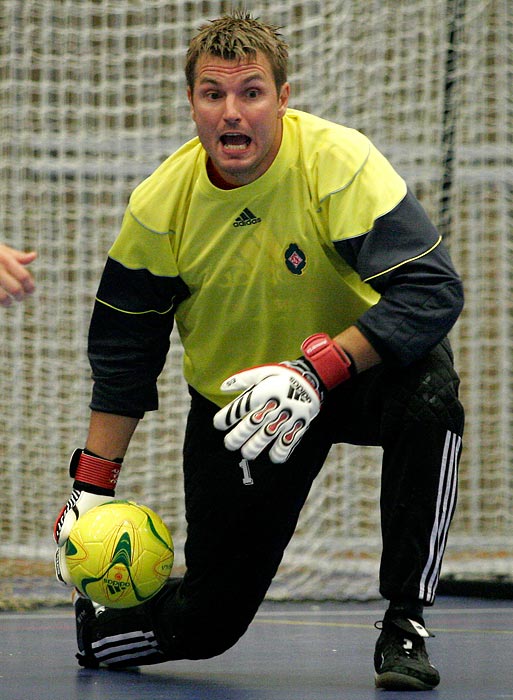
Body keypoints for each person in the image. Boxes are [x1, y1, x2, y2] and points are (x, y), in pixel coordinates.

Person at [53, 11, 464, 691]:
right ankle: (102, 628)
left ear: (283, 97)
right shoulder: (160, 207)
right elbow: (125, 350)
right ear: (191, 103)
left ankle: (405, 619)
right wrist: (91, 490)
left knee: (429, 396)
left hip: (347, 375)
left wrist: (317, 369)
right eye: (213, 94)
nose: (231, 111)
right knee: (209, 624)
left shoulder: (337, 163)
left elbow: (430, 291)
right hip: (241, 412)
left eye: (251, 92)